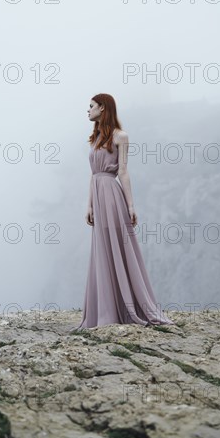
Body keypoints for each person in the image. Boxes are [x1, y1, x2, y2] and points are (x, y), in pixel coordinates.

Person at [72, 93, 175, 330]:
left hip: (111, 196)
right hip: (98, 195)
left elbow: (124, 172)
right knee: (103, 249)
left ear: (103, 108)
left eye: (91, 106)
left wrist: (130, 205)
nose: (87, 110)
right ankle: (108, 307)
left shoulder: (121, 136)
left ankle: (128, 307)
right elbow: (93, 175)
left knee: (118, 246)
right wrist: (88, 205)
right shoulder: (95, 138)